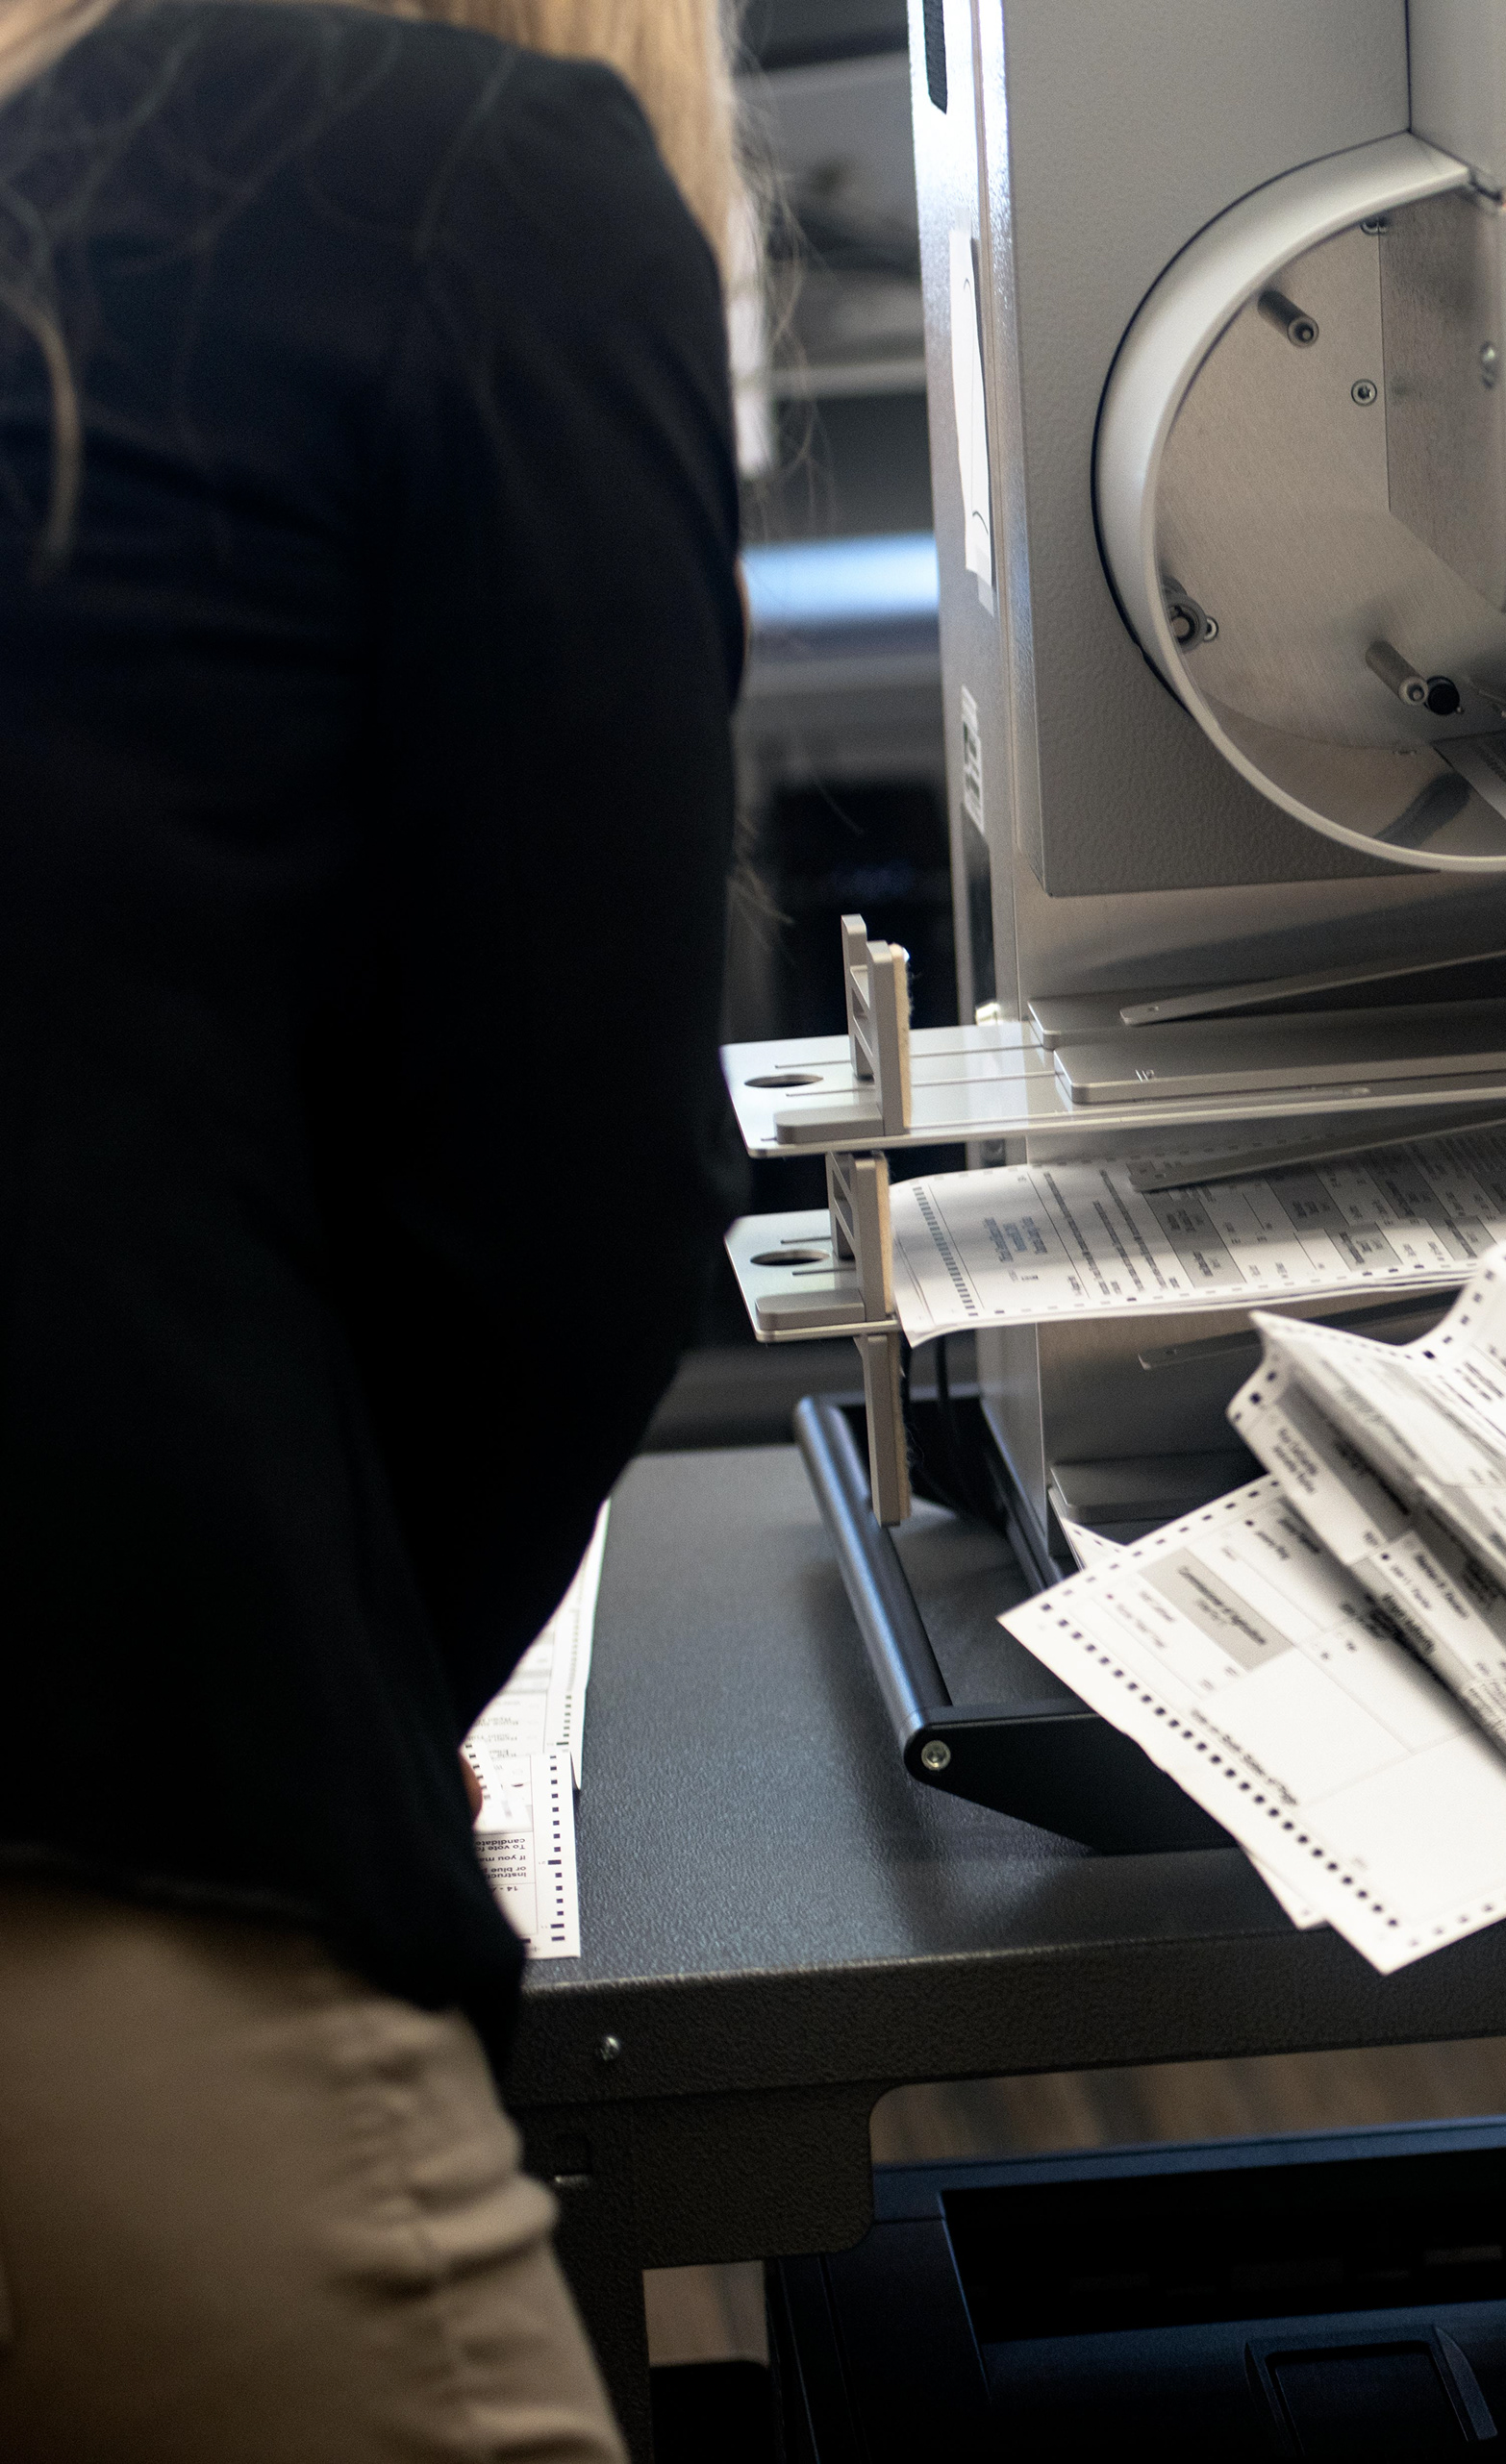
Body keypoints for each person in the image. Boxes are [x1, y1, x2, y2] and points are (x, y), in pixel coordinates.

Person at [0, 0, 743, 2453]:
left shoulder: (62, 189)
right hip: (87, 1782)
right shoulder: (477, 174)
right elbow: (576, 1201)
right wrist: (352, 1689)